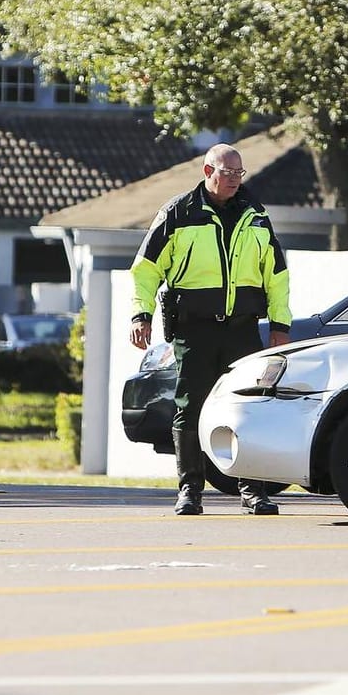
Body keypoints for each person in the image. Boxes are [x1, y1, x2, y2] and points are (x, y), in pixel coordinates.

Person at [129, 142, 293, 515]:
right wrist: (141, 315)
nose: (235, 180)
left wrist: (280, 326)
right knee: (190, 408)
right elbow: (146, 269)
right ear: (208, 172)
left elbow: (277, 277)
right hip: (195, 330)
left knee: (247, 409)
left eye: (240, 173)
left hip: (243, 330)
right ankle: (190, 491)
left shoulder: (255, 215)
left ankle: (253, 491)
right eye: (227, 173)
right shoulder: (178, 213)